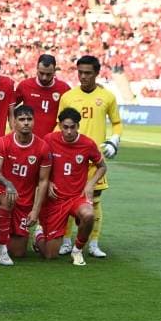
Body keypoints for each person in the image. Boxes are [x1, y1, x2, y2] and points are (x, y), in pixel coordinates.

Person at [57, 55, 122, 258]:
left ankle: (93, 242)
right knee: (67, 199)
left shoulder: (108, 97)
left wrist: (114, 141)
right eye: (80, 72)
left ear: (97, 73)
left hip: (94, 159)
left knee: (94, 200)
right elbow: (58, 125)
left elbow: (117, 123)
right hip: (70, 159)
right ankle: (66, 240)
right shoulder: (68, 96)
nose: (83, 77)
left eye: (88, 73)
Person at [35, 108, 107, 266]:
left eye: (72, 127)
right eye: (65, 127)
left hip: (76, 197)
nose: (68, 131)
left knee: (88, 215)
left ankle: (77, 250)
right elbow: (38, 164)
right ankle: (39, 234)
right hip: (55, 200)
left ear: (78, 126)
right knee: (50, 254)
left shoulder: (87, 143)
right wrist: (49, 182)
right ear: (60, 125)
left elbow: (102, 166)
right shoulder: (49, 139)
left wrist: (90, 184)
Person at [0, 105, 52, 266]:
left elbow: (43, 180)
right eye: (21, 119)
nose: (25, 123)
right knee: (8, 200)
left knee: (18, 253)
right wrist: (8, 183)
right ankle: (2, 249)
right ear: (14, 122)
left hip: (25, 199)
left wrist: (36, 210)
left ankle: (1, 231)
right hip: (2, 189)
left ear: (34, 122)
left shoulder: (42, 147)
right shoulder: (3, 142)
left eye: (29, 119)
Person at [15, 54, 70, 137]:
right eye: (41, 73)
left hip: (54, 139)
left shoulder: (64, 88)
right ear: (37, 69)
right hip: (28, 138)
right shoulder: (25, 85)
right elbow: (9, 106)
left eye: (48, 74)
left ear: (54, 71)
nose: (44, 77)